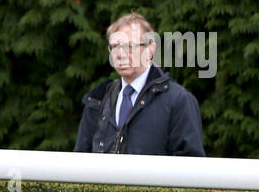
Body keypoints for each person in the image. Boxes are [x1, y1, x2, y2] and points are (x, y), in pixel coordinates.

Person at [75, 12, 205, 156]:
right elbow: (81, 161)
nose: (120, 54)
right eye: (115, 47)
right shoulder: (98, 100)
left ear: (150, 49)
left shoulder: (179, 101)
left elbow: (190, 168)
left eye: (129, 46)